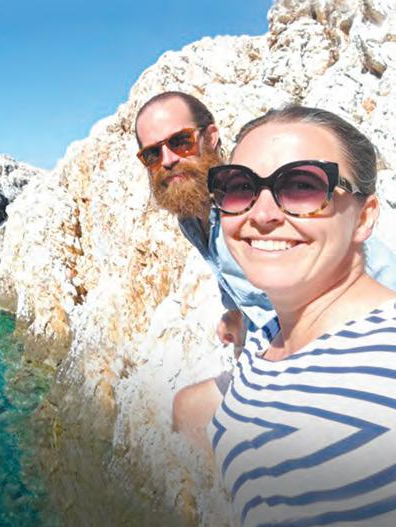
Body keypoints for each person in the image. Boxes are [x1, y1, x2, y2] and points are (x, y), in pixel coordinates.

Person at [135, 92, 396, 448]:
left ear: (211, 137)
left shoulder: (253, 212)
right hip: (268, 346)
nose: (167, 160)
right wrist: (236, 315)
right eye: (152, 154)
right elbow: (240, 278)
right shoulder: (192, 219)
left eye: (181, 142)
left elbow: (370, 271)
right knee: (187, 408)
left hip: (326, 357)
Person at [207, 105, 396, 526]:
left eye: (302, 186)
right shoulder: (268, 340)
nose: (262, 214)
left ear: (364, 217)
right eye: (239, 188)